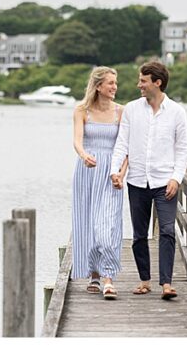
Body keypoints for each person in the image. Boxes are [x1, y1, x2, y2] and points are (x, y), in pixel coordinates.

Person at [110, 61, 187, 300]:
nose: (139, 85)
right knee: (139, 234)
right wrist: (115, 170)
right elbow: (122, 143)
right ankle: (145, 281)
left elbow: (182, 149)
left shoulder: (177, 112)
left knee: (167, 231)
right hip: (136, 181)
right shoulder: (132, 110)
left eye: (143, 81)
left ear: (157, 82)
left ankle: (166, 283)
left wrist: (176, 178)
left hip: (165, 181)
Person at [71, 66, 128, 300]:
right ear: (98, 86)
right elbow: (76, 141)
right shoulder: (81, 110)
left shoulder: (122, 112)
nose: (115, 87)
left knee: (107, 226)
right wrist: (84, 155)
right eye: (110, 83)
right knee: (88, 224)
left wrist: (121, 174)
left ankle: (108, 277)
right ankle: (94, 273)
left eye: (115, 83)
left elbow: (127, 147)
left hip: (111, 172)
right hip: (88, 170)